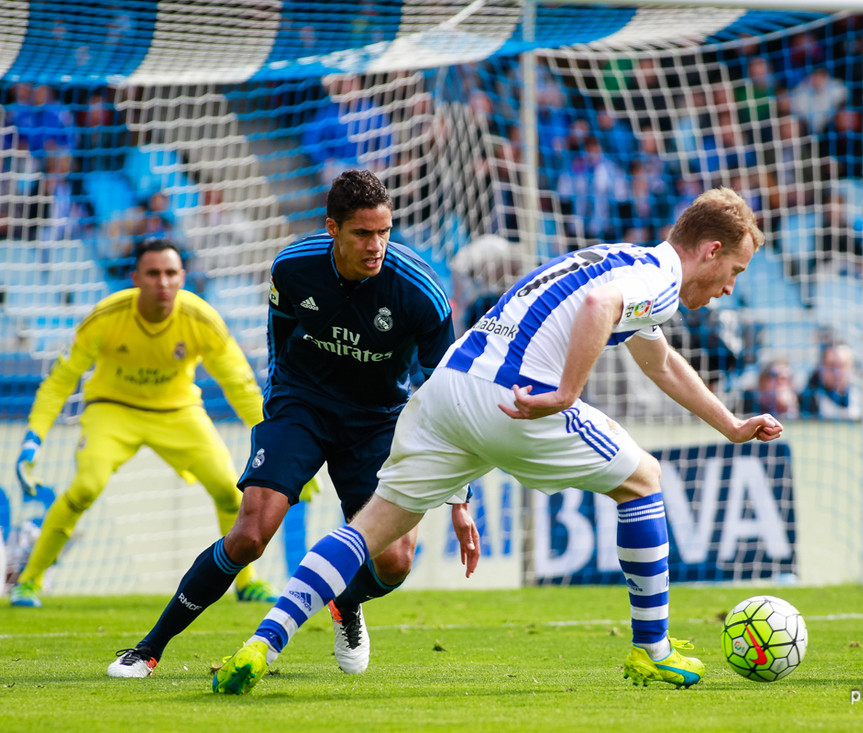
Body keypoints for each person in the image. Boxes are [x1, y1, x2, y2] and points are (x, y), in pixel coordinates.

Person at [211, 186, 785, 696]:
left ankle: (262, 644)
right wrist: (565, 393)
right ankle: (653, 652)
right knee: (645, 481)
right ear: (710, 250)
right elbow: (597, 307)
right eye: (733, 271)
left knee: (367, 529)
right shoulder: (656, 281)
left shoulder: (624, 260)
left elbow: (658, 361)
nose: (729, 288)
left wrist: (729, 424)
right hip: (513, 398)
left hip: (447, 391)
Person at [107, 170, 478, 679]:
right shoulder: (293, 267)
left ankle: (343, 601)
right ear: (333, 228)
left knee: (394, 562)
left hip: (377, 422)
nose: (376, 246)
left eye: (384, 232)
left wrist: (460, 498)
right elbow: (280, 341)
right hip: (302, 404)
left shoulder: (421, 294)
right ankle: (148, 648)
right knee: (249, 536)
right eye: (362, 234)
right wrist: (280, 409)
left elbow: (448, 398)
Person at [10, 240, 279, 608]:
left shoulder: (201, 319)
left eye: (171, 273)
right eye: (153, 274)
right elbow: (60, 380)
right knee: (86, 487)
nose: (163, 283)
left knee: (229, 490)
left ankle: (247, 584)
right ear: (135, 278)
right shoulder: (106, 316)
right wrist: (33, 437)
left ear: (183, 277)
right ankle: (28, 582)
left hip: (178, 411)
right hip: (112, 409)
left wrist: (274, 441)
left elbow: (240, 386)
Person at [799, 343, 860, 419]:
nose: (837, 372)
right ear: (820, 367)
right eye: (831, 366)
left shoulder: (861, 397)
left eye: (842, 366)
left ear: (851, 367)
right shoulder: (805, 401)